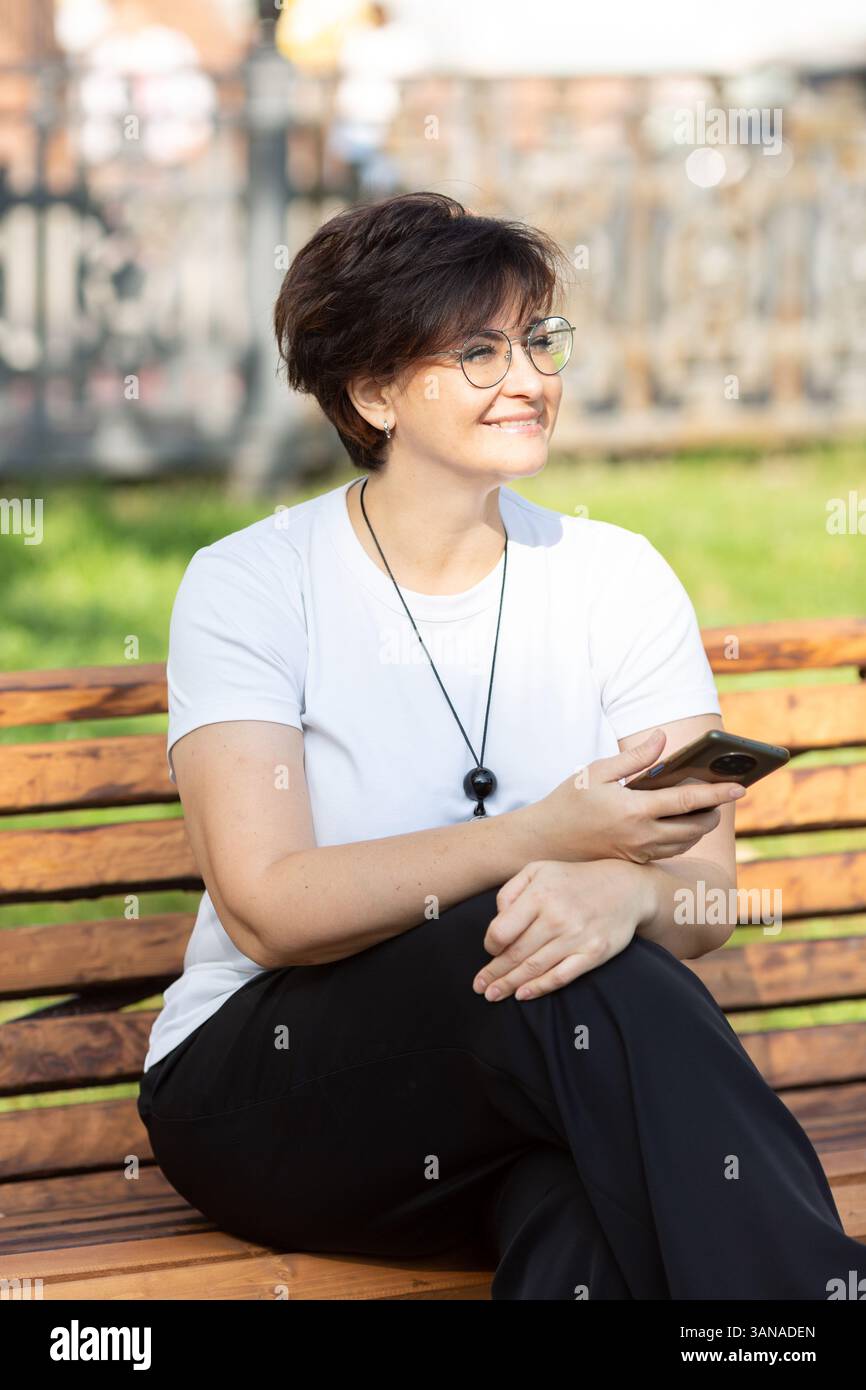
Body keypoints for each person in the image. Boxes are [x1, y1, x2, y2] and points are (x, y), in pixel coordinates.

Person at [137, 191, 866, 1300]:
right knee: (529, 931)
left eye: (536, 339)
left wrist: (626, 898)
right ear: (371, 390)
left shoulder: (616, 575)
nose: (526, 376)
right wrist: (543, 842)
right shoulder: (251, 584)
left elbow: (703, 891)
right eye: (476, 351)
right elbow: (267, 907)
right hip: (275, 1096)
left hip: (515, 1110)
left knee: (579, 1227)